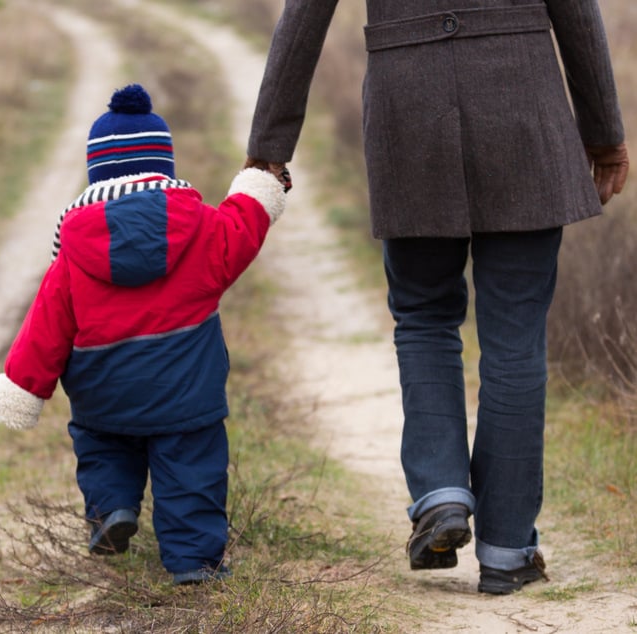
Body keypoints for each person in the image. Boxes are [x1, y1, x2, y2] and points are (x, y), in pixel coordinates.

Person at [246, 0, 629, 594]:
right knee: (515, 337)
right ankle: (507, 551)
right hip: (520, 107)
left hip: (410, 113)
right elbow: (575, 9)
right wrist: (604, 133)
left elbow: (305, 13)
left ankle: (441, 493)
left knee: (424, 316)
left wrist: (271, 139)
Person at [0, 84, 286, 585]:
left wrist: (24, 386)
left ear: (96, 173)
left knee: (102, 445)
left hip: (105, 394)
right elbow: (243, 226)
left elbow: (45, 327)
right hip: (186, 394)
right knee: (191, 470)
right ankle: (193, 562)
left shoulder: (73, 255)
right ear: (162, 164)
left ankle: (112, 510)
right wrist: (258, 185)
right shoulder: (203, 229)